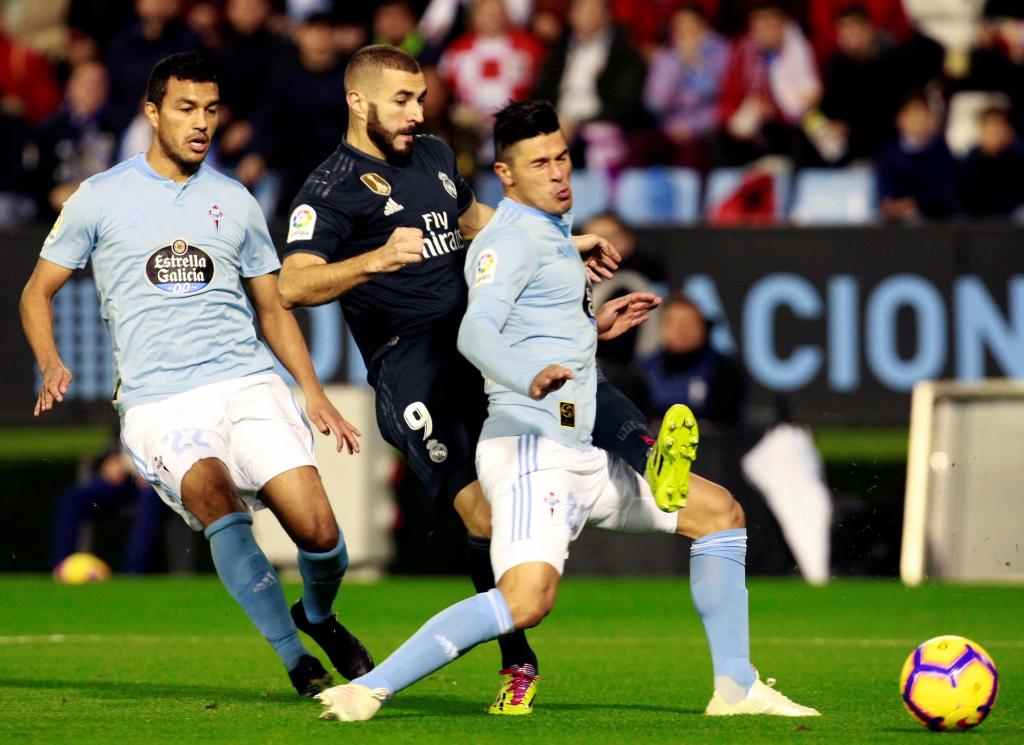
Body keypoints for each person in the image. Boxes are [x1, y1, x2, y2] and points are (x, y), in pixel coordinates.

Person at [314, 100, 820, 722]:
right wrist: (528, 375)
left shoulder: (553, 234)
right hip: (530, 453)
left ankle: (736, 687)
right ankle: (370, 688)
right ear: (506, 175)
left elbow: (539, 328)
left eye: (562, 158)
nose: (557, 173)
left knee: (718, 514)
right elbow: (477, 334)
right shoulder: (509, 241)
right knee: (525, 601)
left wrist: (591, 327)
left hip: (577, 452)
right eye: (539, 163)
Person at [278, 44, 658, 715]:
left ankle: (650, 457)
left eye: (420, 97)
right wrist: (370, 261)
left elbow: (476, 222)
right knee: (482, 511)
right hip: (412, 367)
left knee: (572, 370)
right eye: (402, 100)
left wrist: (564, 243)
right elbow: (293, 283)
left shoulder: (429, 155)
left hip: (476, 344)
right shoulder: (328, 188)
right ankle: (517, 657)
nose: (418, 112)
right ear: (357, 101)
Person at [19, 51, 372, 698]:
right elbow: (36, 292)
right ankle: (296, 659)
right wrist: (51, 361)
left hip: (246, 383)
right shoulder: (99, 197)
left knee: (321, 534)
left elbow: (273, 306)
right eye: (185, 109)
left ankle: (317, 614)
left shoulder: (234, 200)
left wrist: (314, 393)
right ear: (152, 112)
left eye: (210, 110)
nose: (200, 122)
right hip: (160, 402)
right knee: (215, 497)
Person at [635, 295, 747, 427]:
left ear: (703, 328)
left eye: (689, 323)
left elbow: (727, 424)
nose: (682, 331)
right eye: (675, 323)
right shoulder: (642, 370)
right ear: (663, 328)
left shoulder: (723, 370)